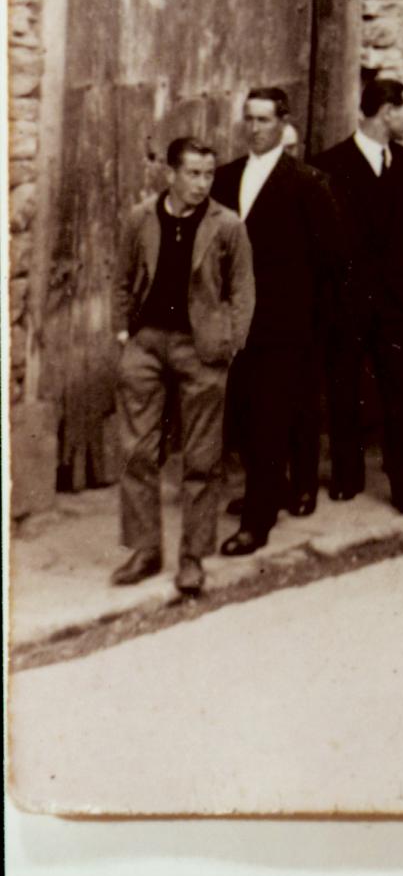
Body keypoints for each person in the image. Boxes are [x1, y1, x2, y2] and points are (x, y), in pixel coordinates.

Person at [111, 137, 256, 595]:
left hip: (202, 348)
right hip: (147, 343)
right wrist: (122, 332)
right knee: (138, 451)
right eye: (192, 173)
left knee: (201, 458)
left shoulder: (227, 225)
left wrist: (230, 342)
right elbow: (121, 278)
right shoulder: (140, 218)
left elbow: (243, 290)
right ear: (170, 174)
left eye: (208, 174)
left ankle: (192, 558)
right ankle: (145, 550)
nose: (201, 183)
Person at [213, 88, 339, 551]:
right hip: (235, 324)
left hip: (284, 324)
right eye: (248, 118)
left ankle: (257, 521)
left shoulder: (307, 182)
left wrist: (314, 325)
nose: (254, 128)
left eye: (264, 120)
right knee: (242, 415)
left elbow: (329, 262)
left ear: (283, 124)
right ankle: (263, 492)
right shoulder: (225, 179)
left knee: (269, 418)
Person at [313, 77, 403, 513]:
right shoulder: (330, 164)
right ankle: (347, 474)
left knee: (401, 388)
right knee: (343, 385)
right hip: (347, 300)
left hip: (395, 301)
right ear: (386, 112)